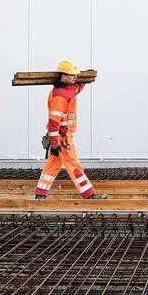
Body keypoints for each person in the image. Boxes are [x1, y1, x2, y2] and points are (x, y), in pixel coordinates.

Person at [34, 60, 107, 200]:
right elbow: (54, 122)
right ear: (63, 76)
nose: (75, 77)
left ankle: (40, 194)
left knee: (52, 166)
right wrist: (55, 143)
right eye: (72, 75)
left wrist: (86, 78)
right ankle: (89, 194)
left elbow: (75, 90)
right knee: (73, 164)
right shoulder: (59, 95)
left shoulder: (67, 90)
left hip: (61, 137)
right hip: (62, 137)